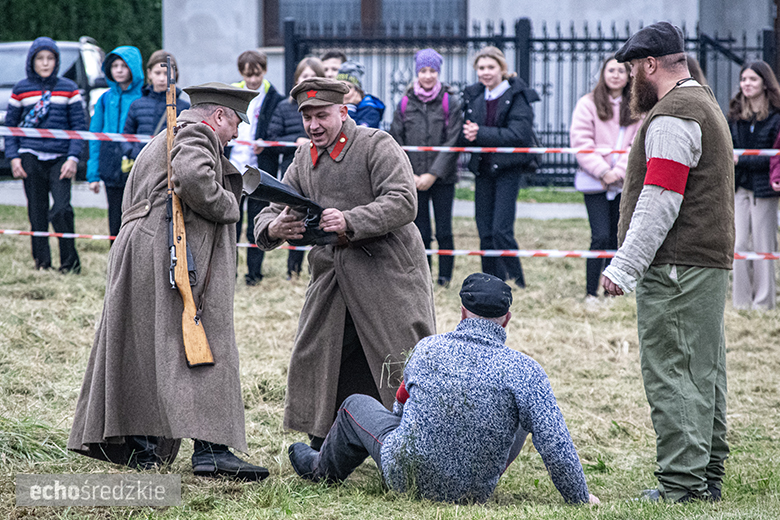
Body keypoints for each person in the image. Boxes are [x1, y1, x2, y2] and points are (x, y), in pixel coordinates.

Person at [68, 83, 269, 481]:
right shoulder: (197, 132)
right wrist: (230, 205)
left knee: (147, 348)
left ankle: (144, 450)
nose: (236, 135)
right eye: (235, 124)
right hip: (166, 253)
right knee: (202, 344)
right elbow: (194, 179)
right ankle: (210, 450)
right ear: (219, 117)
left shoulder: (172, 133)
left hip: (146, 250)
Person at [288, 273, 600, 505]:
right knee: (521, 415)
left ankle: (320, 469)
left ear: (463, 311)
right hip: (476, 492)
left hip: (404, 476)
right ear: (506, 320)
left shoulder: (427, 349)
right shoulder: (526, 371)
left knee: (354, 404)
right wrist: (580, 498)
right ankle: (478, 472)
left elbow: (400, 411)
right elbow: (556, 444)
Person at [253, 78, 436, 450]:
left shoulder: (376, 145)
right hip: (330, 275)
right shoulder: (303, 159)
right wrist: (274, 227)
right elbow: (272, 209)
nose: (313, 125)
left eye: (321, 115)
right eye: (307, 117)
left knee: (398, 358)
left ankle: (417, 442)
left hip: (387, 273)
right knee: (318, 355)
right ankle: (325, 442)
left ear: (343, 111)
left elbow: (403, 201)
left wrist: (351, 220)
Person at [602, 22, 734, 502]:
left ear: (651, 65)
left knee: (674, 370)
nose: (632, 76)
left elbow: (660, 198)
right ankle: (705, 479)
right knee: (703, 370)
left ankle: (681, 484)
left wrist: (624, 266)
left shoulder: (674, 114)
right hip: (703, 263)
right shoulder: (704, 103)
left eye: (634, 67)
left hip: (677, 266)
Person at [5, 37, 87, 273]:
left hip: (60, 158)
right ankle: (42, 263)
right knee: (36, 210)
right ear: (32, 61)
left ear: (56, 61)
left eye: (50, 58)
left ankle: (69, 264)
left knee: (62, 209)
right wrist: (14, 157)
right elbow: (9, 128)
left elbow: (78, 127)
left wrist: (73, 158)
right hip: (30, 155)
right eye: (40, 58)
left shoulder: (69, 89)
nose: (45, 63)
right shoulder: (20, 89)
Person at [460, 46, 540, 288]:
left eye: (490, 67)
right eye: (481, 68)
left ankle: (517, 282)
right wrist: (467, 134)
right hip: (483, 170)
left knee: (501, 230)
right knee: (484, 230)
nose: (486, 73)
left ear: (502, 69)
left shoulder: (517, 95)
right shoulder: (473, 96)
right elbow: (465, 133)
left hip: (507, 169)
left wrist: (480, 133)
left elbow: (519, 134)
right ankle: (490, 283)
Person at [569, 55, 642, 301]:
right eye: (611, 70)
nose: (616, 75)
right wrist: (602, 171)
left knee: (617, 237)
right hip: (594, 182)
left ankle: (611, 292)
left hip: (623, 183)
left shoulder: (637, 105)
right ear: (603, 73)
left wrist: (618, 173)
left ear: (629, 75)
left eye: (621, 70)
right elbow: (581, 142)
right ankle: (591, 293)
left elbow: (637, 144)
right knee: (599, 236)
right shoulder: (587, 104)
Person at [390, 48, 462, 287]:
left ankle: (445, 278)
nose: (428, 76)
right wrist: (410, 174)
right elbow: (395, 139)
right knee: (419, 231)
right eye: (423, 70)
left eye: (432, 71)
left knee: (444, 229)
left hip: (442, 178)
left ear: (438, 72)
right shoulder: (404, 102)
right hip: (413, 178)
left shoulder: (450, 101)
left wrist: (433, 173)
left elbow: (453, 140)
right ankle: (424, 276)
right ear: (417, 72)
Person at [727, 61, 780, 311]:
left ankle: (764, 302)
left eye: (752, 79)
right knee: (738, 245)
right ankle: (741, 303)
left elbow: (774, 156)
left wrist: (742, 158)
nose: (746, 84)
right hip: (739, 188)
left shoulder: (777, 117)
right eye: (743, 79)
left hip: (764, 190)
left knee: (763, 245)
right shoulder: (734, 114)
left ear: (765, 84)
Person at [229, 50, 284, 285]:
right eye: (247, 75)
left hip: (260, 169)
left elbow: (279, 132)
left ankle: (254, 274)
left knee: (256, 222)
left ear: (264, 71)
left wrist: (267, 142)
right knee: (230, 223)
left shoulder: (275, 99)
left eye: (257, 74)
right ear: (241, 73)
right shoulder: (232, 93)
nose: (252, 80)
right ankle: (228, 271)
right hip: (233, 167)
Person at [267, 56, 324, 278]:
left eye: (312, 76)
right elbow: (272, 137)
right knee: (292, 215)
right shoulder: (284, 106)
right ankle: (293, 270)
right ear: (296, 79)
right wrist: (297, 139)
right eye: (304, 76)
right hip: (290, 167)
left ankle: (315, 267)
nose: (307, 80)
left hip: (318, 168)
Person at [86, 46, 144, 240]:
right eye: (114, 65)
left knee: (137, 216)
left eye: (124, 65)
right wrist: (93, 173)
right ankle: (116, 263)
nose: (118, 70)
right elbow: (95, 136)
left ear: (134, 68)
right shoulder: (104, 99)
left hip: (136, 161)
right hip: (110, 162)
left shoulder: (143, 97)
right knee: (114, 217)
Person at [121, 50, 190, 162]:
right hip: (142, 164)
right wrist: (133, 153)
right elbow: (126, 135)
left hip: (171, 167)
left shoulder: (184, 108)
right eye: (158, 73)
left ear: (175, 75)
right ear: (149, 73)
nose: (162, 78)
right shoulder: (137, 105)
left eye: (166, 73)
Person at [337, 60, 385, 128]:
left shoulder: (370, 108)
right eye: (340, 87)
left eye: (349, 87)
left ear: (358, 91)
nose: (343, 91)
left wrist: (350, 107)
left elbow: (354, 133)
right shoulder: (335, 105)